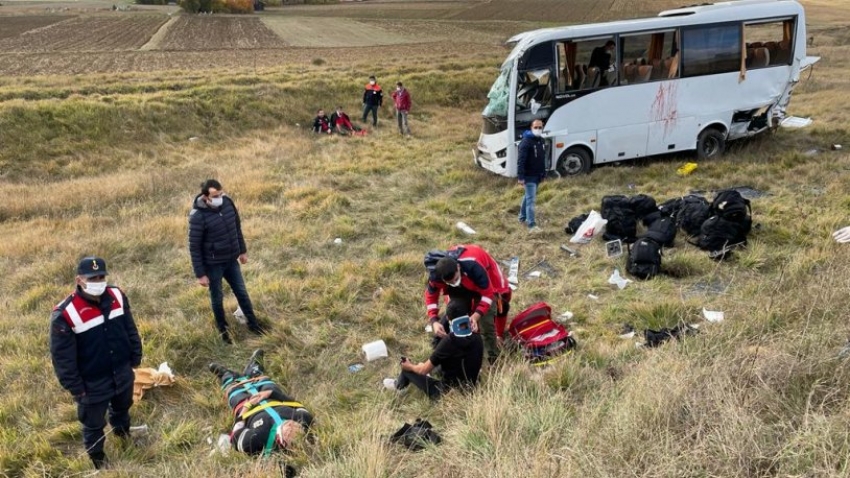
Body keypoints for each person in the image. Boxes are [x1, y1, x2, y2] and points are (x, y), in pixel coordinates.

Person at [49, 257, 143, 470]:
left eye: (101, 276)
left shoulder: (117, 295)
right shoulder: (65, 314)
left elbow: (130, 327)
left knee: (122, 409)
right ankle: (99, 460)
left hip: (122, 371)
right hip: (92, 382)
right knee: (93, 425)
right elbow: (62, 358)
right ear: (79, 280)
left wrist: (135, 357)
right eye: (92, 278)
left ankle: (123, 435)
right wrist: (76, 388)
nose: (98, 281)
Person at [189, 179, 266, 344]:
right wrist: (200, 274)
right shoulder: (198, 216)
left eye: (221, 193)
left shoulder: (227, 203)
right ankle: (223, 332)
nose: (220, 198)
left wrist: (242, 251)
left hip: (231, 260)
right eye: (216, 196)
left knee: (242, 293)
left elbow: (236, 228)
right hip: (213, 265)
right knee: (217, 299)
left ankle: (253, 325)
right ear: (206, 197)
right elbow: (194, 247)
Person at [210, 350, 312, 458]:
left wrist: (246, 407)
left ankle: (226, 376)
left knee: (235, 393)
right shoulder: (304, 418)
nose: (291, 426)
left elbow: (236, 435)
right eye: (297, 428)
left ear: (281, 441)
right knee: (266, 383)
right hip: (271, 398)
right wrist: (272, 394)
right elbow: (296, 404)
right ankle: (254, 370)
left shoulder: (255, 440)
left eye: (288, 432)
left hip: (249, 410)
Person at [425, 245, 512, 363]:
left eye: (455, 279)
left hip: (484, 280)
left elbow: (487, 295)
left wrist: (476, 316)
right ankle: (461, 345)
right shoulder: (437, 276)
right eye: (450, 282)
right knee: (455, 309)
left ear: (458, 267)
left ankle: (492, 356)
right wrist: (434, 321)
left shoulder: (474, 266)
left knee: (488, 320)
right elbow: (431, 297)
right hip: (465, 281)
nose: (454, 283)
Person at [385, 301, 483, 399]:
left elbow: (423, 371)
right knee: (434, 365)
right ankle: (418, 375)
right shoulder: (478, 337)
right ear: (467, 315)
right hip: (470, 388)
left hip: (447, 394)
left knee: (407, 369)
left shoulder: (449, 341)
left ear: (448, 319)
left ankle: (398, 386)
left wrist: (410, 366)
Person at [517, 119, 546, 233]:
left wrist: (543, 173)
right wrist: (521, 177)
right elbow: (521, 160)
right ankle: (531, 225)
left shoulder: (541, 141)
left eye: (540, 127)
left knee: (528, 197)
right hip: (529, 176)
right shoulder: (526, 142)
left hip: (538, 175)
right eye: (536, 127)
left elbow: (542, 159)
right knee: (531, 200)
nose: (538, 129)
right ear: (531, 127)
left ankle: (522, 217)